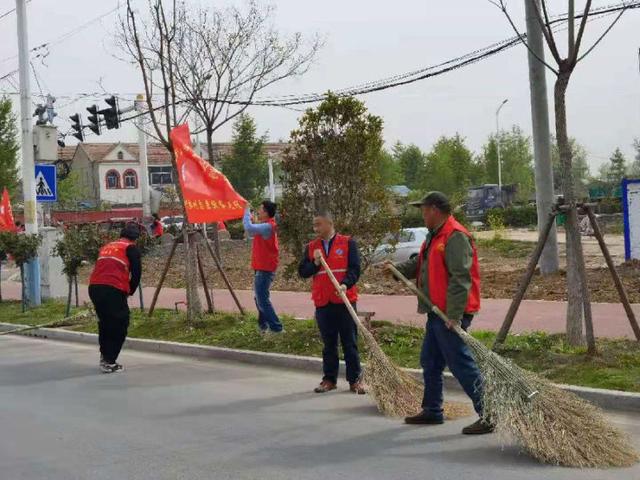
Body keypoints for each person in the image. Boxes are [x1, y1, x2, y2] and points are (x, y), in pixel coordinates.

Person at [386, 191, 493, 435]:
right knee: (431, 361)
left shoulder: (455, 236)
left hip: (450, 313)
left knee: (461, 363)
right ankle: (433, 410)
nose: (422, 215)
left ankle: (489, 413)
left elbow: (461, 279)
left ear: (434, 210)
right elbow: (420, 264)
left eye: (424, 210)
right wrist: (395, 269)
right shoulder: (435, 236)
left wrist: (454, 315)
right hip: (436, 311)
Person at [298, 211, 365, 395]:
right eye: (314, 225)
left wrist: (345, 284)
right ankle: (329, 379)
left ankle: (355, 381)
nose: (315, 228)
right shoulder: (312, 247)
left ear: (329, 223)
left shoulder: (347, 243)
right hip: (323, 301)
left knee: (349, 342)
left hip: (344, 299)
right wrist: (316, 263)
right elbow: (303, 271)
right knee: (328, 344)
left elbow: (355, 268)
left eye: (318, 224)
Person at [88, 223, 142, 373]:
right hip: (112, 288)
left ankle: (105, 356)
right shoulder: (131, 248)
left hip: (94, 287)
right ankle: (109, 361)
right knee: (120, 323)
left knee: (105, 323)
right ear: (136, 238)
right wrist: (130, 290)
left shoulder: (108, 246)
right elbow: (137, 273)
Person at [243, 200, 283, 334]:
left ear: (266, 212)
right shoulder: (266, 226)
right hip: (262, 267)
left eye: (260, 209)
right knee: (259, 298)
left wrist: (246, 210)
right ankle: (263, 326)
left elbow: (248, 228)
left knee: (262, 299)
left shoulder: (268, 226)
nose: (258, 211)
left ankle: (276, 328)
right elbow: (251, 232)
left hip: (265, 268)